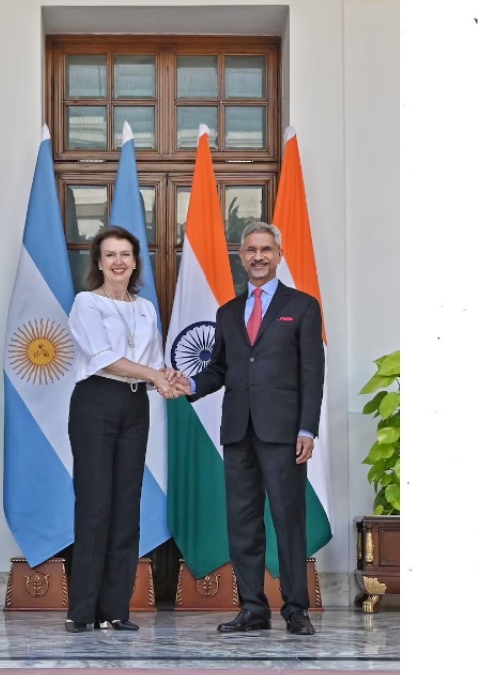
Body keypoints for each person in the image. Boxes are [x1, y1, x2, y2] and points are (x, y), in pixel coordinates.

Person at [170, 221, 324, 636]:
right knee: (243, 522)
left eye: (266, 250)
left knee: (288, 521)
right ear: (241, 256)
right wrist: (191, 385)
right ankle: (253, 608)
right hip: (238, 432)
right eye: (251, 250)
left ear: (279, 255)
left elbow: (312, 373)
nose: (258, 257)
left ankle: (296, 609)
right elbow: (220, 369)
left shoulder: (303, 307)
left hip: (284, 434)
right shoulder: (228, 312)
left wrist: (307, 429)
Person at [64, 226, 179, 633]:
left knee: (127, 505)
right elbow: (104, 357)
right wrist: (155, 375)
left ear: (135, 262)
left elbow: (154, 362)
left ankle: (115, 610)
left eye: (125, 254)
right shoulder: (86, 303)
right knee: (96, 504)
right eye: (110, 254)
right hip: (96, 402)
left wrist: (170, 381)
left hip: (135, 405)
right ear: (98, 262)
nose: (118, 261)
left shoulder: (145, 307)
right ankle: (82, 611)